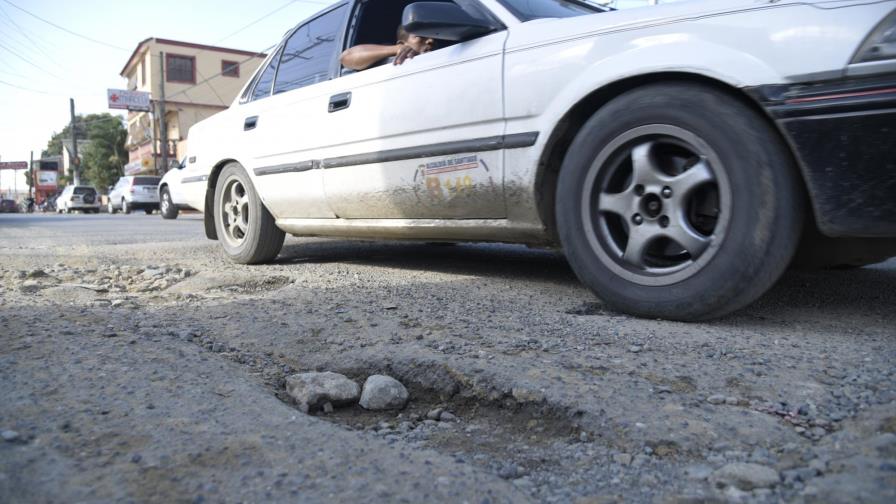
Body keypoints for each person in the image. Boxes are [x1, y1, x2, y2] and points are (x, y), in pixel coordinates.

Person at [340, 26, 435, 71]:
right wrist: (397, 49)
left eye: (433, 35)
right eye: (420, 36)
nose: (431, 40)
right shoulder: (389, 63)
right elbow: (346, 57)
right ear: (402, 43)